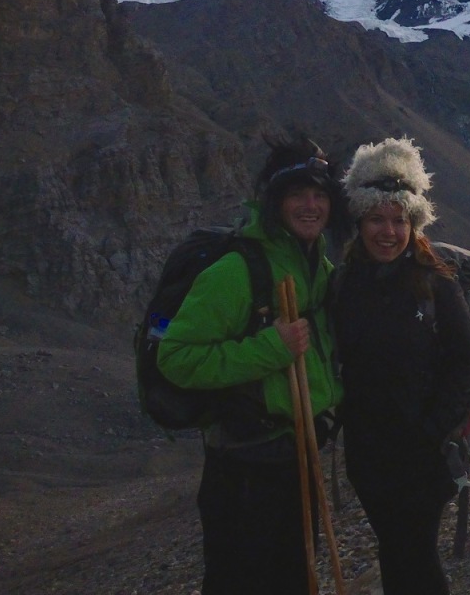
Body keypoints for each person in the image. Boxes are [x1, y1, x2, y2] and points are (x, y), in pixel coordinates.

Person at [157, 133, 345, 595]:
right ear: (275, 201)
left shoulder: (316, 265)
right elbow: (176, 358)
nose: (310, 205)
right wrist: (272, 347)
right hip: (244, 465)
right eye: (298, 194)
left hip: (295, 452)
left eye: (320, 195)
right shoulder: (238, 271)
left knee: (295, 579)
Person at [332, 137, 470, 595]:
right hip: (368, 456)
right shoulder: (343, 285)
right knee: (396, 550)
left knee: (412, 551)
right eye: (377, 219)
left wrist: (431, 431)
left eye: (399, 220)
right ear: (359, 220)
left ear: (415, 224)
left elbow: (464, 363)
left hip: (423, 456)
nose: (388, 232)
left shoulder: (437, 285)